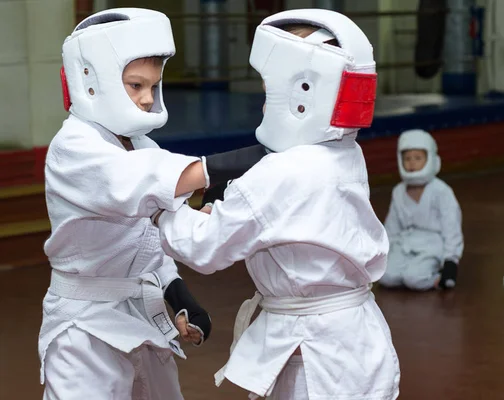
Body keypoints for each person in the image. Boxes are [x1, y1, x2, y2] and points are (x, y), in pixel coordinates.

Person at [153, 8, 400, 400]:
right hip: (355, 339)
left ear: (305, 93)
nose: (265, 106)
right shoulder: (344, 153)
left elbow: (205, 247)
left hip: (315, 356)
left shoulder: (284, 171)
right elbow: (287, 221)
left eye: (270, 94)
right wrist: (219, 213)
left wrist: (162, 208)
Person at [39, 8, 265, 399]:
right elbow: (138, 181)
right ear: (91, 81)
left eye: (153, 87)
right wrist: (258, 156)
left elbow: (151, 230)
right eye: (135, 85)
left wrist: (178, 295)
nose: (146, 99)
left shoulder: (140, 143)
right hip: (85, 328)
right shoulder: (73, 147)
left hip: (140, 316)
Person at [378, 129, 463, 290]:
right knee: (386, 277)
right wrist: (384, 252)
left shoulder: (441, 191)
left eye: (418, 158)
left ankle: (436, 277)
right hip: (405, 244)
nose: (411, 163)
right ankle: (410, 268)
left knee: (414, 279)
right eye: (407, 158)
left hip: (433, 245)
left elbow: (451, 226)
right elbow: (392, 226)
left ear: (431, 159)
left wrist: (451, 260)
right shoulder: (398, 191)